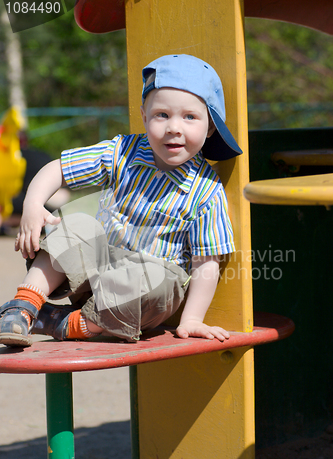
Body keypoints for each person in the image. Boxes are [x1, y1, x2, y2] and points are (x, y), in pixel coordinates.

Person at [0, 54, 242, 348]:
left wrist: (191, 319)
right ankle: (24, 306)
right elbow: (60, 169)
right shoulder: (122, 152)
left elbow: (207, 262)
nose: (174, 128)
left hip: (144, 293)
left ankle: (63, 322)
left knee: (157, 279)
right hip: (98, 271)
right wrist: (33, 204)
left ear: (211, 128)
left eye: (190, 117)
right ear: (144, 116)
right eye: (162, 115)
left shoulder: (206, 191)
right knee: (77, 224)